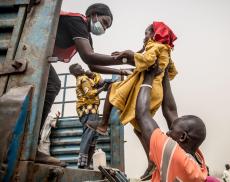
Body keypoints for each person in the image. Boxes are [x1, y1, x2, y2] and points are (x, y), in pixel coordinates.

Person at [37, 3, 132, 165]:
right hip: (35, 48)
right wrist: (124, 58)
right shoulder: (78, 21)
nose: (104, 28)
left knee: (53, 85)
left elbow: (93, 66)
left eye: (107, 27)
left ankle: (33, 144)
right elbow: (89, 57)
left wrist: (121, 71)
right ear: (94, 15)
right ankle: (33, 145)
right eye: (104, 23)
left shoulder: (86, 35)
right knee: (53, 85)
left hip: (41, 52)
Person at [87, 21, 178, 179]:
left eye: (147, 33)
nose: (145, 37)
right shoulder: (166, 51)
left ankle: (103, 125)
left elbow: (147, 60)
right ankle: (152, 162)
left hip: (146, 89)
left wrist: (130, 54)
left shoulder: (155, 46)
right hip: (156, 91)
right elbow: (172, 72)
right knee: (139, 128)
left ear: (155, 34)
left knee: (112, 89)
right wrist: (128, 55)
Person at [134, 65, 208, 181]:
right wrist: (164, 72)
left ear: (183, 137)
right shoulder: (197, 161)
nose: (167, 133)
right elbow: (170, 111)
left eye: (171, 130)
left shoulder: (173, 155)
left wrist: (149, 76)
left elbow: (142, 114)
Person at [69, 63, 105, 169]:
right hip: (88, 109)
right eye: (78, 68)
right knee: (89, 134)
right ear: (75, 72)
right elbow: (90, 94)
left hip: (87, 109)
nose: (82, 68)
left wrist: (92, 74)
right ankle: (83, 163)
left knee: (93, 136)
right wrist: (103, 88)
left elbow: (99, 82)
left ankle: (87, 163)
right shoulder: (83, 79)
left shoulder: (84, 78)